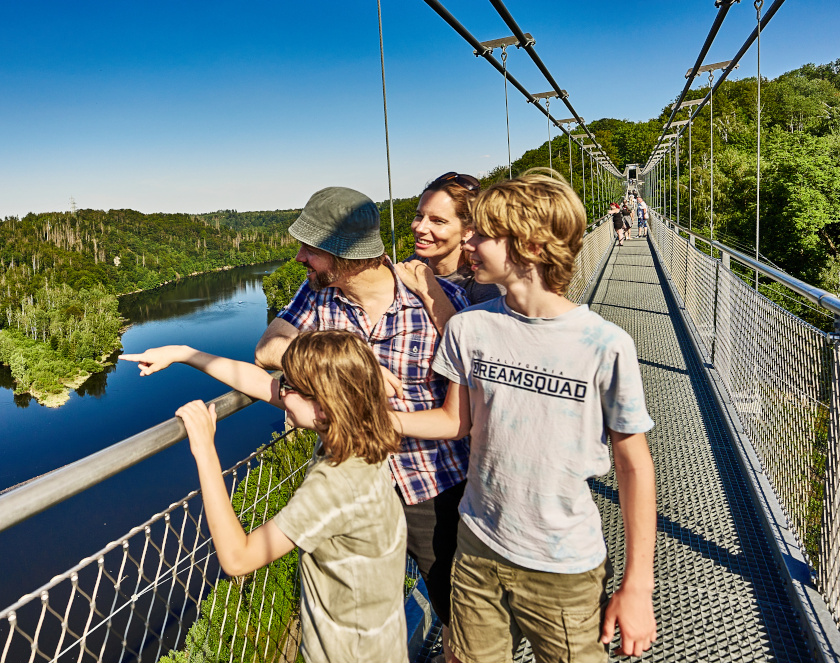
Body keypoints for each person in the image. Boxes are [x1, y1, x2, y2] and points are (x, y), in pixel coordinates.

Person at [391, 171, 657, 663]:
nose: (469, 241)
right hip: (476, 546)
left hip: (563, 566)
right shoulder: (469, 328)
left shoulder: (604, 345)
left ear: (530, 246)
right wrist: (370, 420)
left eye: (484, 234)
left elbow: (634, 466)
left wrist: (637, 586)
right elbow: (455, 423)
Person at [255, 186, 470, 642]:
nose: (299, 259)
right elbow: (267, 348)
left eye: (309, 250)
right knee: (356, 627)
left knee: (459, 621)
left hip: (432, 486)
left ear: (346, 255)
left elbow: (473, 384)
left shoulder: (439, 301)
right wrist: (341, 357)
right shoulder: (317, 295)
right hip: (352, 484)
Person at [120, 331, 408, 663]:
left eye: (289, 387)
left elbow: (237, 559)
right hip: (381, 641)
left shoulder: (336, 483)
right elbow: (258, 381)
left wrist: (204, 451)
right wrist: (184, 353)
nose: (280, 391)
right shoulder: (362, 432)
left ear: (325, 406)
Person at [406, 172, 503, 305]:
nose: (420, 228)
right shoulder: (413, 264)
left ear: (468, 231)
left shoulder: (485, 287)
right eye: (419, 215)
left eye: (438, 221)